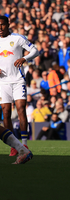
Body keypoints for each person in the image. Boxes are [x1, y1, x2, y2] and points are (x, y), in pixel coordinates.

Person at [0, 15, 39, 156]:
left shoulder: (17, 38)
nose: (0, 27)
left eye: (2, 25)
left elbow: (35, 50)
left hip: (18, 80)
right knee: (6, 113)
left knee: (21, 109)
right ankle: (13, 145)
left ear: (8, 24)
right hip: (2, 82)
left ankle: (24, 144)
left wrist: (24, 58)